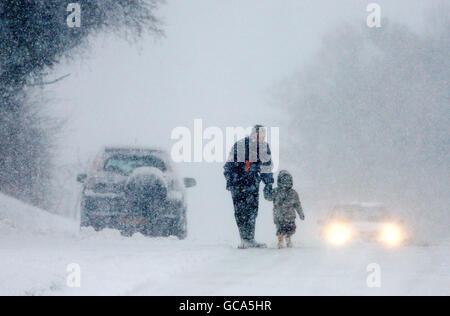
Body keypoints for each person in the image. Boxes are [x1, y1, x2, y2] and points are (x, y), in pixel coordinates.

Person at [223, 125, 274, 248]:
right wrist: (232, 181)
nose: (261, 138)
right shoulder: (241, 145)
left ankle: (250, 238)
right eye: (258, 135)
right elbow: (229, 166)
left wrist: (268, 184)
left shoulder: (264, 148)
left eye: (263, 136)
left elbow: (267, 167)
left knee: (252, 211)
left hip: (253, 184)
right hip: (238, 183)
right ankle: (244, 239)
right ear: (252, 135)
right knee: (241, 211)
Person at [264, 170, 305, 248]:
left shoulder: (293, 193)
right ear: (280, 181)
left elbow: (297, 204)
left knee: (290, 228)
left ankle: (288, 239)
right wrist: (267, 187)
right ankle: (280, 241)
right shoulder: (276, 191)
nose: (285, 184)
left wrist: (301, 213)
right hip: (279, 216)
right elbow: (268, 197)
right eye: (283, 181)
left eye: (288, 181)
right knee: (280, 229)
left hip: (290, 216)